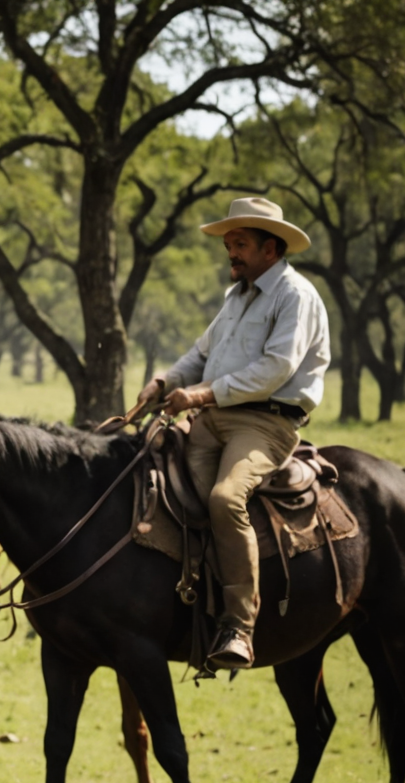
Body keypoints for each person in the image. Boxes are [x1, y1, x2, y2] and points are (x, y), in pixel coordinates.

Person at [133, 197, 331, 671]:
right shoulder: (235, 297)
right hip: (214, 417)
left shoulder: (295, 296)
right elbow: (200, 355)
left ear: (270, 247)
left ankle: (239, 627)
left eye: (239, 244)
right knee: (145, 467)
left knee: (225, 499)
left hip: (266, 424)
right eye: (229, 245)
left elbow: (274, 369)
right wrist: (165, 382)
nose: (231, 254)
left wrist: (199, 397)